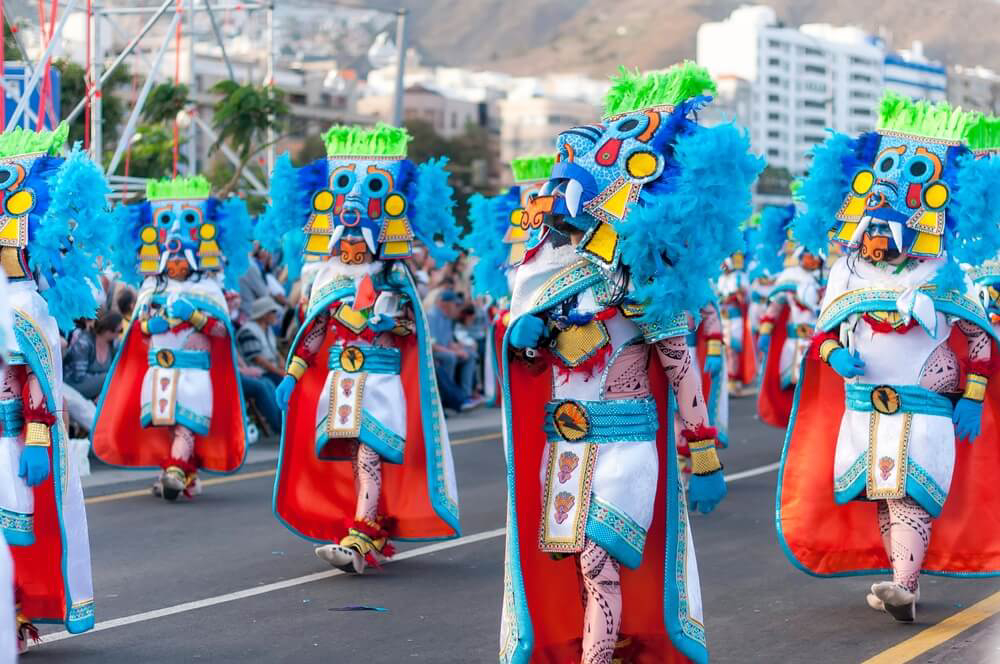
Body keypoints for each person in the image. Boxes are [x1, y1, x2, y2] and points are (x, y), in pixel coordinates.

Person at [499, 63, 762, 664]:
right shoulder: (546, 277)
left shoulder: (648, 282)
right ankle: (608, 642)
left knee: (599, 559)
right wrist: (523, 336)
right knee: (575, 561)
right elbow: (526, 357)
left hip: (626, 445)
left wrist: (704, 454)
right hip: (565, 445)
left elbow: (679, 368)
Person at [777, 94, 1000, 623]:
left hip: (925, 405)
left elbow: (980, 339)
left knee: (907, 496)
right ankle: (907, 585)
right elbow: (824, 333)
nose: (878, 236)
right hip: (863, 408)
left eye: (887, 227)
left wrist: (973, 397)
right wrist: (834, 356)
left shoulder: (946, 269)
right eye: (873, 226)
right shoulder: (846, 271)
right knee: (884, 494)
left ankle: (902, 583)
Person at [261, 123, 462, 575]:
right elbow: (314, 331)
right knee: (356, 457)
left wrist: (391, 322)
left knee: (369, 454)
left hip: (381, 381)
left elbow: (412, 329)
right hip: (341, 382)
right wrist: (292, 375)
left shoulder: (396, 277)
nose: (351, 244)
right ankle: (373, 528)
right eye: (345, 240)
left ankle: (360, 533)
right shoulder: (328, 278)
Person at [0, 124, 104, 648]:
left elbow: (35, 378)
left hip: (9, 440)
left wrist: (38, 438)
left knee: (13, 534)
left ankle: (15, 614)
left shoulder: (25, 305)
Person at [93, 176, 253, 501]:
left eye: (181, 261)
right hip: (159, 370)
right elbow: (138, 329)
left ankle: (176, 471)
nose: (176, 264)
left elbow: (221, 331)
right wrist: (154, 325)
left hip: (194, 371)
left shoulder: (208, 290)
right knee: (168, 425)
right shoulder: (151, 288)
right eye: (172, 261)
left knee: (185, 425)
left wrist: (193, 316)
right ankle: (182, 473)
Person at [755, 204, 823, 428]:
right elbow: (774, 308)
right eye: (809, 254)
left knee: (815, 388)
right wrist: (765, 333)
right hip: (793, 343)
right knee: (793, 385)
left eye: (816, 255)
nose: (813, 259)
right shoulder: (789, 276)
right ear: (800, 255)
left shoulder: (825, 280)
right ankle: (794, 422)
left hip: (819, 343)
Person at [428, 290, 480, 402]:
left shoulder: (447, 317)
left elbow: (449, 342)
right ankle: (448, 398)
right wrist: (455, 352)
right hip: (434, 353)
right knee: (451, 357)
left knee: (471, 355)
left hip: (444, 350)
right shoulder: (431, 315)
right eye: (454, 304)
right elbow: (432, 345)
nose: (456, 307)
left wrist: (462, 349)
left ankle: (465, 396)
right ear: (444, 303)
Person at [64, 309, 122, 401]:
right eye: (119, 331)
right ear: (107, 330)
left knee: (113, 378)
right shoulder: (84, 343)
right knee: (110, 377)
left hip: (94, 389)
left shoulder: (113, 346)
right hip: (72, 385)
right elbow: (78, 376)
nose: (120, 335)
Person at [237, 296, 286, 385]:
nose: (276, 315)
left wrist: (281, 359)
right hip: (259, 374)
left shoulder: (268, 328)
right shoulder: (248, 331)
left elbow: (273, 350)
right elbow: (258, 359)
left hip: (272, 371)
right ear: (264, 314)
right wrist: (280, 372)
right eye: (273, 311)